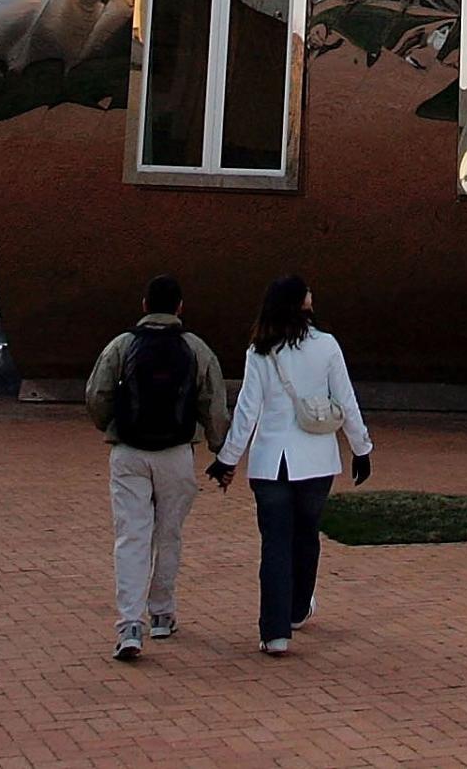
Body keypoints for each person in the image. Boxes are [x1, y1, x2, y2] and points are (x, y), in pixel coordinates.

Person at [210, 273, 372, 655]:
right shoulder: (327, 346)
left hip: (270, 462)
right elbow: (346, 402)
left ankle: (275, 631)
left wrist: (226, 459)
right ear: (304, 303)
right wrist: (361, 448)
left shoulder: (260, 350)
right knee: (307, 535)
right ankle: (299, 607)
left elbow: (247, 412)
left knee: (275, 544)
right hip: (316, 459)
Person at [85, 274, 228, 663]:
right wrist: (220, 449)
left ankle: (130, 624)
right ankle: (162, 612)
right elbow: (213, 403)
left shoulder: (123, 344)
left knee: (131, 537)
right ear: (180, 307)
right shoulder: (196, 349)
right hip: (177, 453)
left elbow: (97, 394)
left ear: (144, 303)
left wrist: (112, 426)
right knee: (169, 534)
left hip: (129, 452)